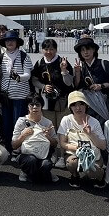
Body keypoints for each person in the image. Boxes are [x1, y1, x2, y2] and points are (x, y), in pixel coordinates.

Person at [30, 39, 74, 167]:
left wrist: (64, 71)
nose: (49, 52)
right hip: (46, 102)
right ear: (42, 50)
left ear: (56, 50)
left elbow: (69, 83)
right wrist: (43, 87)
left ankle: (62, 156)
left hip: (62, 102)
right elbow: (34, 80)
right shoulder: (40, 63)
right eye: (46, 49)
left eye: (52, 49)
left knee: (63, 129)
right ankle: (53, 153)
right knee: (49, 129)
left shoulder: (63, 62)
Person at [57, 91, 107, 188]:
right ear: (70, 107)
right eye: (74, 105)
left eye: (81, 104)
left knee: (91, 172)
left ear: (86, 105)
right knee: (72, 163)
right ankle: (75, 176)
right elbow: (63, 143)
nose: (78, 108)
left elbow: (103, 146)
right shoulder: (66, 120)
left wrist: (90, 134)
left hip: (93, 157)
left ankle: (100, 176)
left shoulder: (94, 122)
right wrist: (77, 148)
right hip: (74, 154)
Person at [0, 30, 33, 151]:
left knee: (19, 124)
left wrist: (18, 77)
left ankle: (18, 148)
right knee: (6, 124)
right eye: (7, 40)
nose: (10, 43)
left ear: (17, 42)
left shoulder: (24, 56)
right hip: (6, 96)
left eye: (12, 40)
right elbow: (0, 75)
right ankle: (8, 148)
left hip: (20, 96)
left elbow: (28, 75)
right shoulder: (1, 57)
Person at [72, 37, 109, 125]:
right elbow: (77, 86)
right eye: (82, 50)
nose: (85, 52)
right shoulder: (80, 67)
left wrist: (101, 86)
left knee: (108, 125)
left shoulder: (104, 64)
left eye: (88, 49)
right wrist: (77, 72)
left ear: (94, 50)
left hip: (106, 101)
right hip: (90, 105)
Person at [12, 95, 59, 184]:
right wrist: (23, 135)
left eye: (37, 105)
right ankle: (26, 171)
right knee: (31, 160)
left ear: (41, 106)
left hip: (44, 154)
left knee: (46, 164)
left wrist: (47, 136)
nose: (34, 107)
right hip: (26, 154)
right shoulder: (21, 121)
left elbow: (55, 144)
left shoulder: (48, 122)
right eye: (31, 104)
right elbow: (14, 145)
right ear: (27, 107)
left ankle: (43, 172)